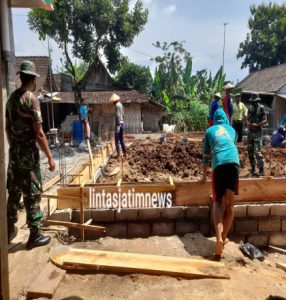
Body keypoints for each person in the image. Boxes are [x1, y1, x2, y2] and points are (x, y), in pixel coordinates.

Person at [6, 60, 56, 249]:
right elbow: (39, 133)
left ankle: (8, 230)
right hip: (28, 154)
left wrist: (15, 147)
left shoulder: (11, 99)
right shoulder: (31, 99)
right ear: (33, 79)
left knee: (14, 192)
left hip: (14, 153)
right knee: (32, 193)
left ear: (22, 77)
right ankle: (35, 235)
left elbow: (7, 127)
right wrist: (50, 157)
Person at [201, 108, 240, 258]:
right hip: (234, 164)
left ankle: (218, 238)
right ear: (225, 119)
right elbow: (232, 146)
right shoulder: (232, 130)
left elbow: (206, 157)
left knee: (218, 203)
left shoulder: (210, 131)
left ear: (214, 119)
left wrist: (204, 176)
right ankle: (223, 239)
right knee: (230, 205)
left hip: (219, 165)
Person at [246, 94, 267, 176]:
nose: (253, 102)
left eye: (254, 101)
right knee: (250, 152)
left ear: (257, 100)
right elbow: (247, 119)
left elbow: (265, 120)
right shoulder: (250, 108)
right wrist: (248, 123)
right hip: (250, 133)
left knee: (258, 152)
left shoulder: (261, 108)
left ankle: (261, 170)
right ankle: (253, 168)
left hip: (258, 133)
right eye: (252, 101)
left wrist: (257, 125)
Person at [109, 93, 126, 158]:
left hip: (118, 125)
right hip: (122, 123)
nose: (112, 102)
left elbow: (117, 116)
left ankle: (118, 154)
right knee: (121, 139)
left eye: (112, 101)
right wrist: (121, 123)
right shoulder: (121, 105)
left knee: (116, 140)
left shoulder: (116, 105)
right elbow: (123, 115)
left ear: (114, 100)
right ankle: (125, 153)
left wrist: (117, 126)